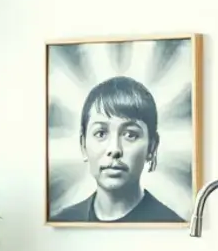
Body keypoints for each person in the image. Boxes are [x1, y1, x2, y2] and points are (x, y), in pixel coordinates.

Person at [51, 76, 184, 223]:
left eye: (130, 135)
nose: (115, 149)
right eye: (101, 133)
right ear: (83, 145)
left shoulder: (171, 225)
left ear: (152, 147)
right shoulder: (65, 221)